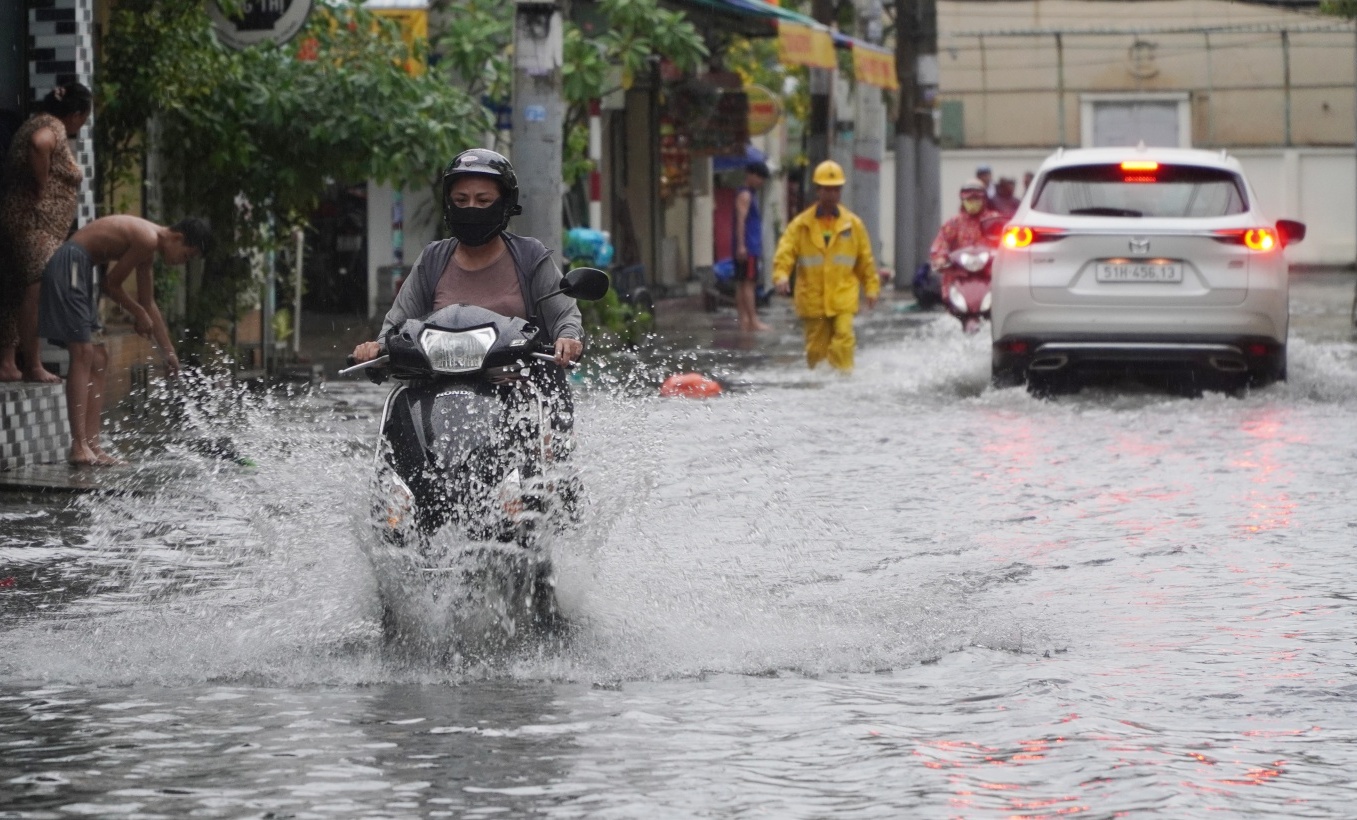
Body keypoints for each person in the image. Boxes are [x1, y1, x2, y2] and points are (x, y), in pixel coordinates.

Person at [350, 148, 583, 430]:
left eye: (483, 200)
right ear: (449, 204)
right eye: (461, 200)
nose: (471, 208)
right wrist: (376, 349)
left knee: (546, 456)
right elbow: (396, 325)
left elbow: (565, 317)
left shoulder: (531, 258)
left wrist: (568, 339)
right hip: (437, 403)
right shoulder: (432, 260)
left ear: (506, 204)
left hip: (522, 398)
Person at [38, 215, 211, 465]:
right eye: (185, 256)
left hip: (82, 271)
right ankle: (78, 446)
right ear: (177, 238)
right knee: (84, 354)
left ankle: (93, 446)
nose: (181, 263)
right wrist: (137, 312)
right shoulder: (147, 238)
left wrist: (168, 353)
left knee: (99, 358)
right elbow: (111, 285)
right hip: (71, 266)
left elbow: (148, 303)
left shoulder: (148, 250)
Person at [0, 82, 93, 383]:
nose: (83, 123)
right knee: (35, 289)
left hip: (29, 224)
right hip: (33, 225)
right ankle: (33, 365)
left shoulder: (38, 120)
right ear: (76, 113)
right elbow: (40, 144)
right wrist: (41, 186)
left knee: (16, 291)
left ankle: (7, 362)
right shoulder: (50, 125)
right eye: (85, 116)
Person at [771, 160, 879, 373]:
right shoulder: (801, 225)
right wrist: (781, 276)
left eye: (836, 189)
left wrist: (872, 287)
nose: (831, 194)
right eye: (827, 189)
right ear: (818, 190)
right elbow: (785, 252)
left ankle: (843, 379)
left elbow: (864, 259)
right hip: (813, 299)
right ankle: (820, 383)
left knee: (844, 338)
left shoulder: (853, 225)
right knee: (816, 351)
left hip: (842, 297)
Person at [733, 160, 771, 332]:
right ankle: (753, 320)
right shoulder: (746, 196)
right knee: (748, 283)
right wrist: (742, 245)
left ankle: (744, 320)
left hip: (746, 245)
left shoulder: (746, 194)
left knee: (742, 283)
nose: (761, 181)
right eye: (759, 177)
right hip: (748, 246)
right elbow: (741, 221)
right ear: (751, 175)